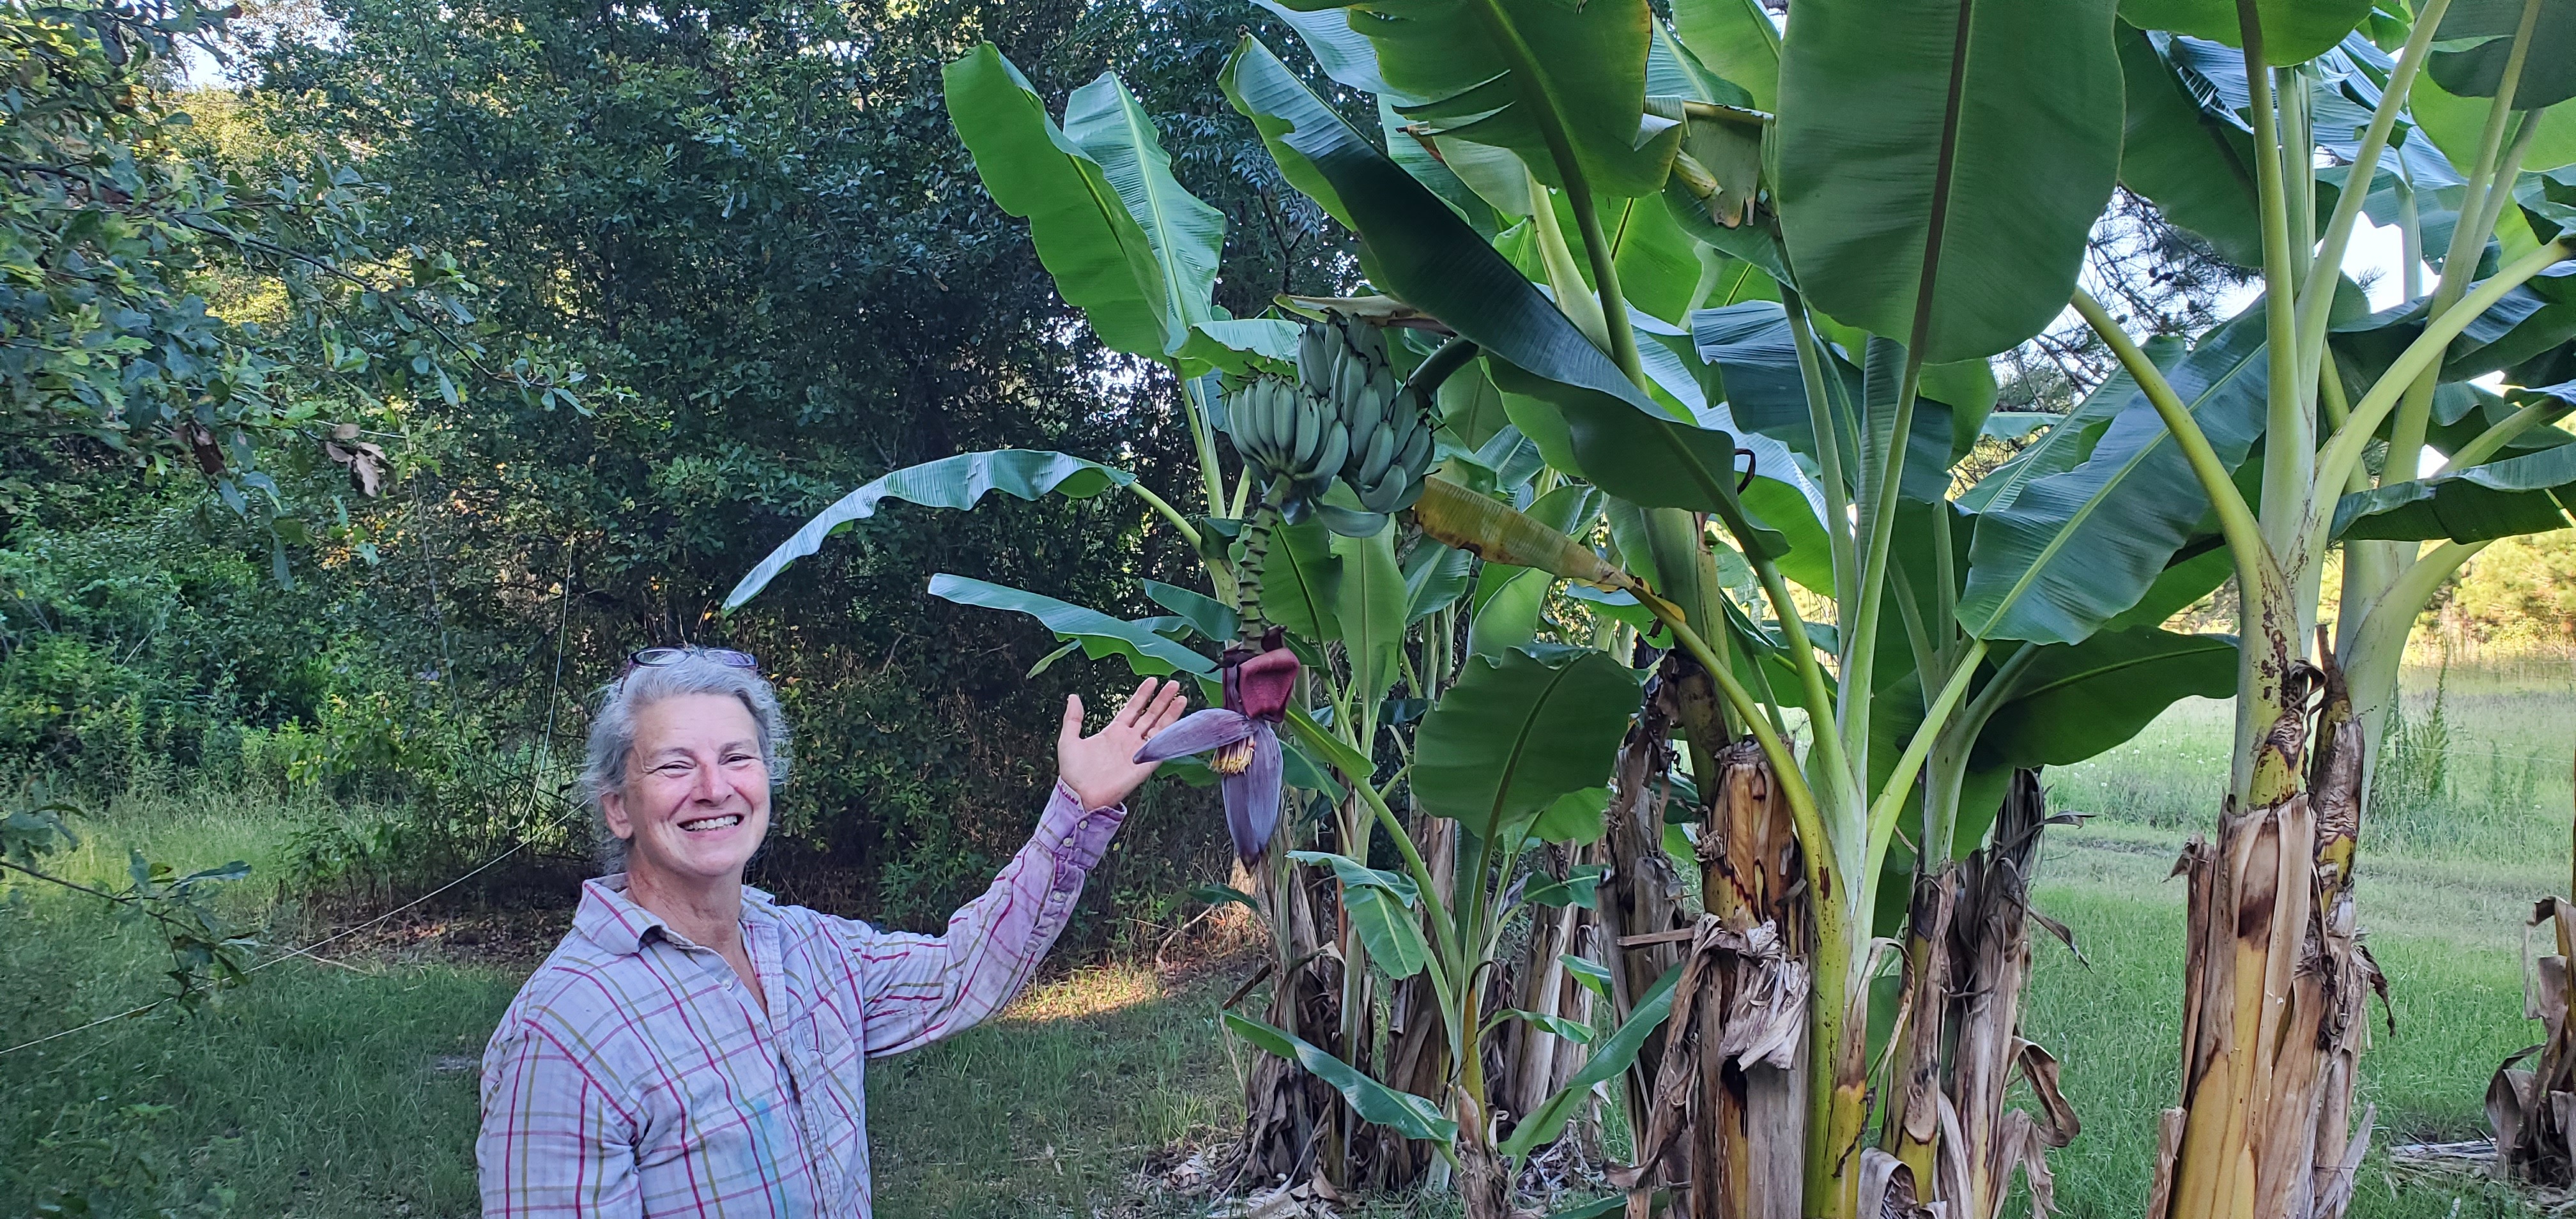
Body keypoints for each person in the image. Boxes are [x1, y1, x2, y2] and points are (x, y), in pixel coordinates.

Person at [476, 646, 1188, 1217]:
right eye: (674, 766)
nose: (713, 788)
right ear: (618, 808)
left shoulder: (808, 952)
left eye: (736, 758)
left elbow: (962, 974)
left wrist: (1077, 809)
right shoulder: (564, 1032)